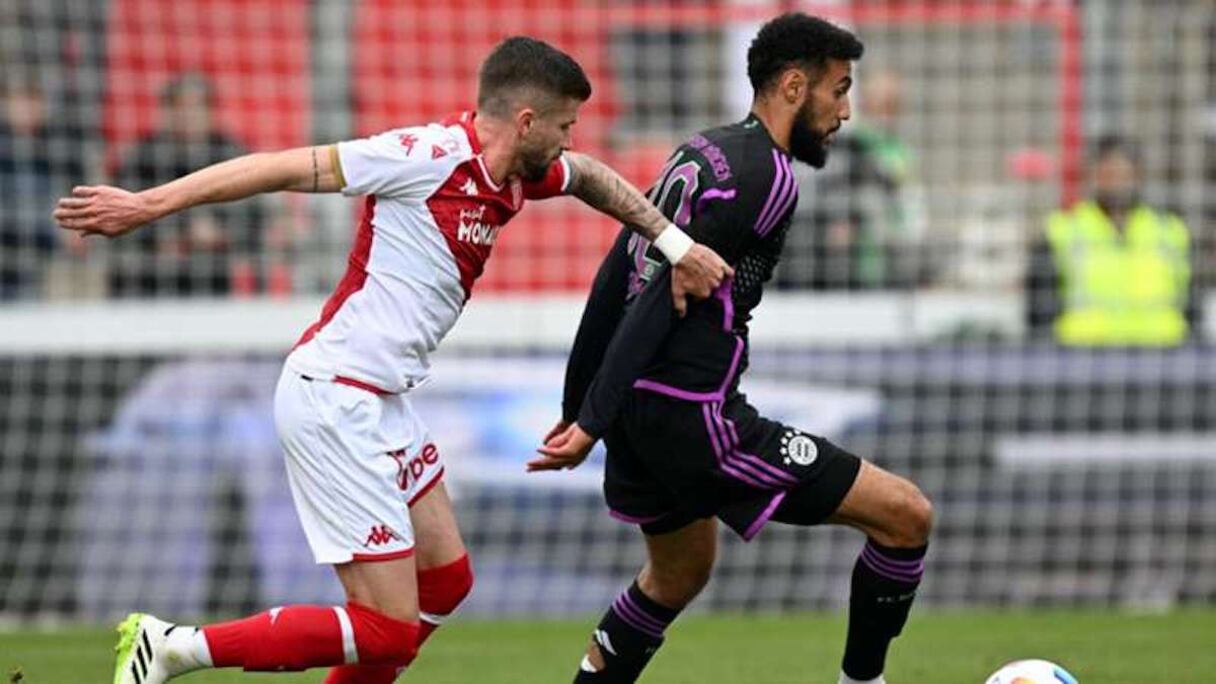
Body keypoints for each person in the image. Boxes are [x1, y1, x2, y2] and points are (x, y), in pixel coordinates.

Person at [54, 36, 732, 684]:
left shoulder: (516, 175)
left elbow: (592, 179)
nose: (569, 140)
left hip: (383, 401)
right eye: (563, 124)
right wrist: (149, 203)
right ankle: (172, 647)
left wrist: (673, 244)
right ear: (525, 121)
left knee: (447, 581)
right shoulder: (424, 155)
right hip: (334, 394)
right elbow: (280, 166)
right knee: (385, 629)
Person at [532, 15, 932, 684]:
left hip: (638, 411)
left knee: (678, 573)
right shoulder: (770, 178)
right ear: (795, 85)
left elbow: (620, 266)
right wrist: (587, 421)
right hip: (694, 416)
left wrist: (585, 406)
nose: (845, 111)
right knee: (905, 516)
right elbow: (660, 292)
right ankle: (862, 682)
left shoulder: (702, 151)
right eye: (839, 90)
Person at [1026, 136, 1198, 346]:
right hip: (1085, 358)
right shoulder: (1062, 231)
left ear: (1138, 176)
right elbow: (1039, 310)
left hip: (1161, 356)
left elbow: (1192, 303)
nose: (1117, 183)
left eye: (1124, 174)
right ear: (1094, 177)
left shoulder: (1170, 231)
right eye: (1108, 174)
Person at [108, 72, 267, 297]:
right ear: (167, 111)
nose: (188, 115)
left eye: (196, 107)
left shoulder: (230, 154)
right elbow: (120, 212)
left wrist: (221, 233)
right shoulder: (141, 157)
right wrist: (177, 234)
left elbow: (254, 216)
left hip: (212, 280)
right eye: (180, 107)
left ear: (210, 113)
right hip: (147, 281)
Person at [778, 68, 923, 290]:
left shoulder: (901, 151)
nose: (885, 113)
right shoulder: (849, 142)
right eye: (880, 104)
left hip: (885, 256)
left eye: (892, 105)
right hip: (845, 261)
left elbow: (906, 204)